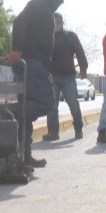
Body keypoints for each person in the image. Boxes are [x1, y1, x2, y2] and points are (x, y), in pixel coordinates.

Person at [5, 0, 73, 168]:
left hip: (34, 65)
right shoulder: (38, 5)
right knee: (45, 103)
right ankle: (8, 112)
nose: (62, 1)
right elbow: (19, 22)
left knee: (26, 114)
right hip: (31, 64)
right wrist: (17, 50)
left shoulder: (45, 10)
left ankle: (24, 156)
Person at [43, 12, 88, 141]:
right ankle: (53, 132)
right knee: (52, 106)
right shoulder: (46, 38)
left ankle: (78, 129)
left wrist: (83, 69)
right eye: (54, 22)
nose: (57, 24)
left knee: (73, 104)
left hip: (68, 77)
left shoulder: (70, 36)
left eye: (59, 21)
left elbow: (80, 52)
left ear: (62, 22)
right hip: (52, 77)